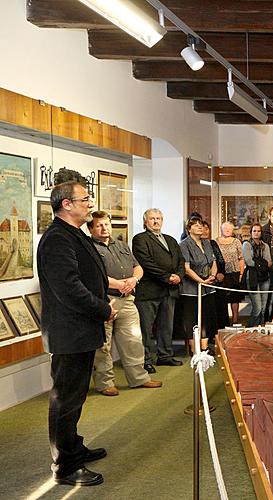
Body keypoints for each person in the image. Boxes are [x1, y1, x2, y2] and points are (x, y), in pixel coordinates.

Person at [38, 179, 118, 486]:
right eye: (84, 199)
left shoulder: (73, 233)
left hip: (81, 331)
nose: (90, 203)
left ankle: (74, 447)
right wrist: (104, 309)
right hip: (69, 333)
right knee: (65, 400)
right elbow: (69, 289)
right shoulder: (57, 239)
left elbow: (87, 277)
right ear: (66, 204)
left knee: (75, 397)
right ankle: (65, 466)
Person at [88, 211, 161, 396]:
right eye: (99, 225)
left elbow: (137, 267)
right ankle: (105, 383)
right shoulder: (88, 248)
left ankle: (139, 379)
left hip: (127, 300)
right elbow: (94, 276)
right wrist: (119, 284)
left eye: (106, 224)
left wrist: (134, 280)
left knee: (133, 340)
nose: (104, 228)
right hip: (105, 300)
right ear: (90, 228)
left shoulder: (121, 245)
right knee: (103, 345)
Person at [133, 208, 184, 370]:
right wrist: (167, 277)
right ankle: (146, 360)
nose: (156, 221)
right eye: (152, 219)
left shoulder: (170, 240)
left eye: (159, 218)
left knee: (166, 326)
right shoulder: (140, 239)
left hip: (169, 291)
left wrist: (179, 276)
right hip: (150, 290)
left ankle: (165, 356)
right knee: (146, 329)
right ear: (145, 222)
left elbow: (181, 261)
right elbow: (146, 263)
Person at [178, 217, 218, 351]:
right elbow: (186, 268)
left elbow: (213, 263)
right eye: (196, 225)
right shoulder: (184, 245)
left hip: (208, 287)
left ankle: (205, 348)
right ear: (189, 229)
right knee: (192, 319)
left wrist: (212, 276)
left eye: (201, 225)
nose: (200, 227)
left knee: (206, 318)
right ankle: (195, 350)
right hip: (191, 289)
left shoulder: (207, 243)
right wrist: (201, 281)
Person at [243, 223, 272, 326]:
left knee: (264, 308)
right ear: (251, 232)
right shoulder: (247, 244)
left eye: (258, 231)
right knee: (257, 308)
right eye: (254, 231)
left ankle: (260, 328)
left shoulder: (265, 246)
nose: (256, 233)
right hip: (252, 277)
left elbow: (269, 262)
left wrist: (259, 262)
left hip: (264, 277)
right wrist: (262, 263)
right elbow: (249, 262)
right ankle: (250, 328)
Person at [202, 220, 227, 343]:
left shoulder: (212, 243)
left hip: (218, 279)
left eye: (207, 228)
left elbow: (220, 259)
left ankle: (220, 334)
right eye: (203, 228)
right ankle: (209, 337)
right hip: (204, 281)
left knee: (220, 308)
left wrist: (219, 273)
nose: (205, 230)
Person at [216, 221, 244, 325]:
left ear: (233, 230)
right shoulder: (216, 241)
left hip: (235, 272)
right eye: (225, 228)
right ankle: (224, 321)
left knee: (235, 297)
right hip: (221, 273)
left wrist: (241, 274)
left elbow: (241, 258)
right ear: (221, 229)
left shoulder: (236, 241)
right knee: (222, 298)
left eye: (229, 228)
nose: (227, 230)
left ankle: (235, 319)